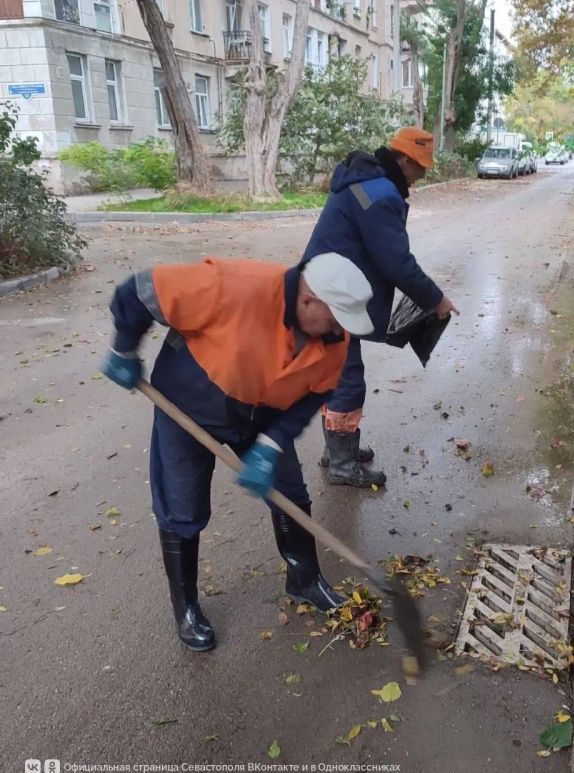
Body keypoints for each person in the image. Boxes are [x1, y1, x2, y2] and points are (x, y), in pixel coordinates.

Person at [101, 253, 373, 652]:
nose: (339, 329)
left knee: (290, 493)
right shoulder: (234, 286)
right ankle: (187, 606)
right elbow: (138, 292)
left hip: (263, 415)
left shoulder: (334, 337)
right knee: (182, 507)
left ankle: (304, 579)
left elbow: (311, 397)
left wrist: (271, 444)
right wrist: (125, 349)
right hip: (189, 403)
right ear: (309, 299)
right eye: (335, 317)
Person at [301, 126, 458, 489]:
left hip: (324, 287)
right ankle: (341, 463)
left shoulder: (368, 181)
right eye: (420, 166)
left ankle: (338, 450)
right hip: (331, 296)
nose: (423, 174)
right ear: (403, 160)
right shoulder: (380, 193)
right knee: (347, 379)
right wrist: (436, 300)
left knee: (338, 373)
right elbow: (396, 261)